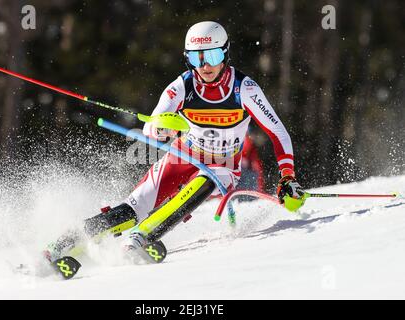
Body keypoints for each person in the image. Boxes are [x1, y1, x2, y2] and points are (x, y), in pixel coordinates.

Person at [45, 21, 304, 262]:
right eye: (196, 58)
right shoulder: (182, 86)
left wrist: (287, 177)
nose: (205, 66)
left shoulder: (243, 89)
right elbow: (151, 126)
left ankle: (141, 237)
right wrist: (163, 129)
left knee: (210, 180)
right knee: (132, 209)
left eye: (212, 56)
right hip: (183, 157)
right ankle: (62, 245)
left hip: (223, 165)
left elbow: (277, 132)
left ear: (225, 54)